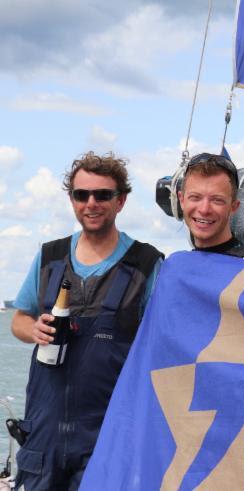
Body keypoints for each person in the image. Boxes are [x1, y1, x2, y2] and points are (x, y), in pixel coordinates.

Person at [10, 152, 163, 490]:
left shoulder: (147, 264)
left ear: (120, 200)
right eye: (82, 195)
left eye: (102, 195)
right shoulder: (49, 256)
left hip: (108, 436)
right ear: (72, 200)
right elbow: (19, 319)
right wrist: (32, 329)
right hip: (43, 434)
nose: (91, 203)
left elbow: (160, 348)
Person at [179, 152, 244, 260]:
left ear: (234, 207)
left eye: (217, 200)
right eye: (195, 197)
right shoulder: (176, 265)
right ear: (182, 200)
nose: (204, 209)